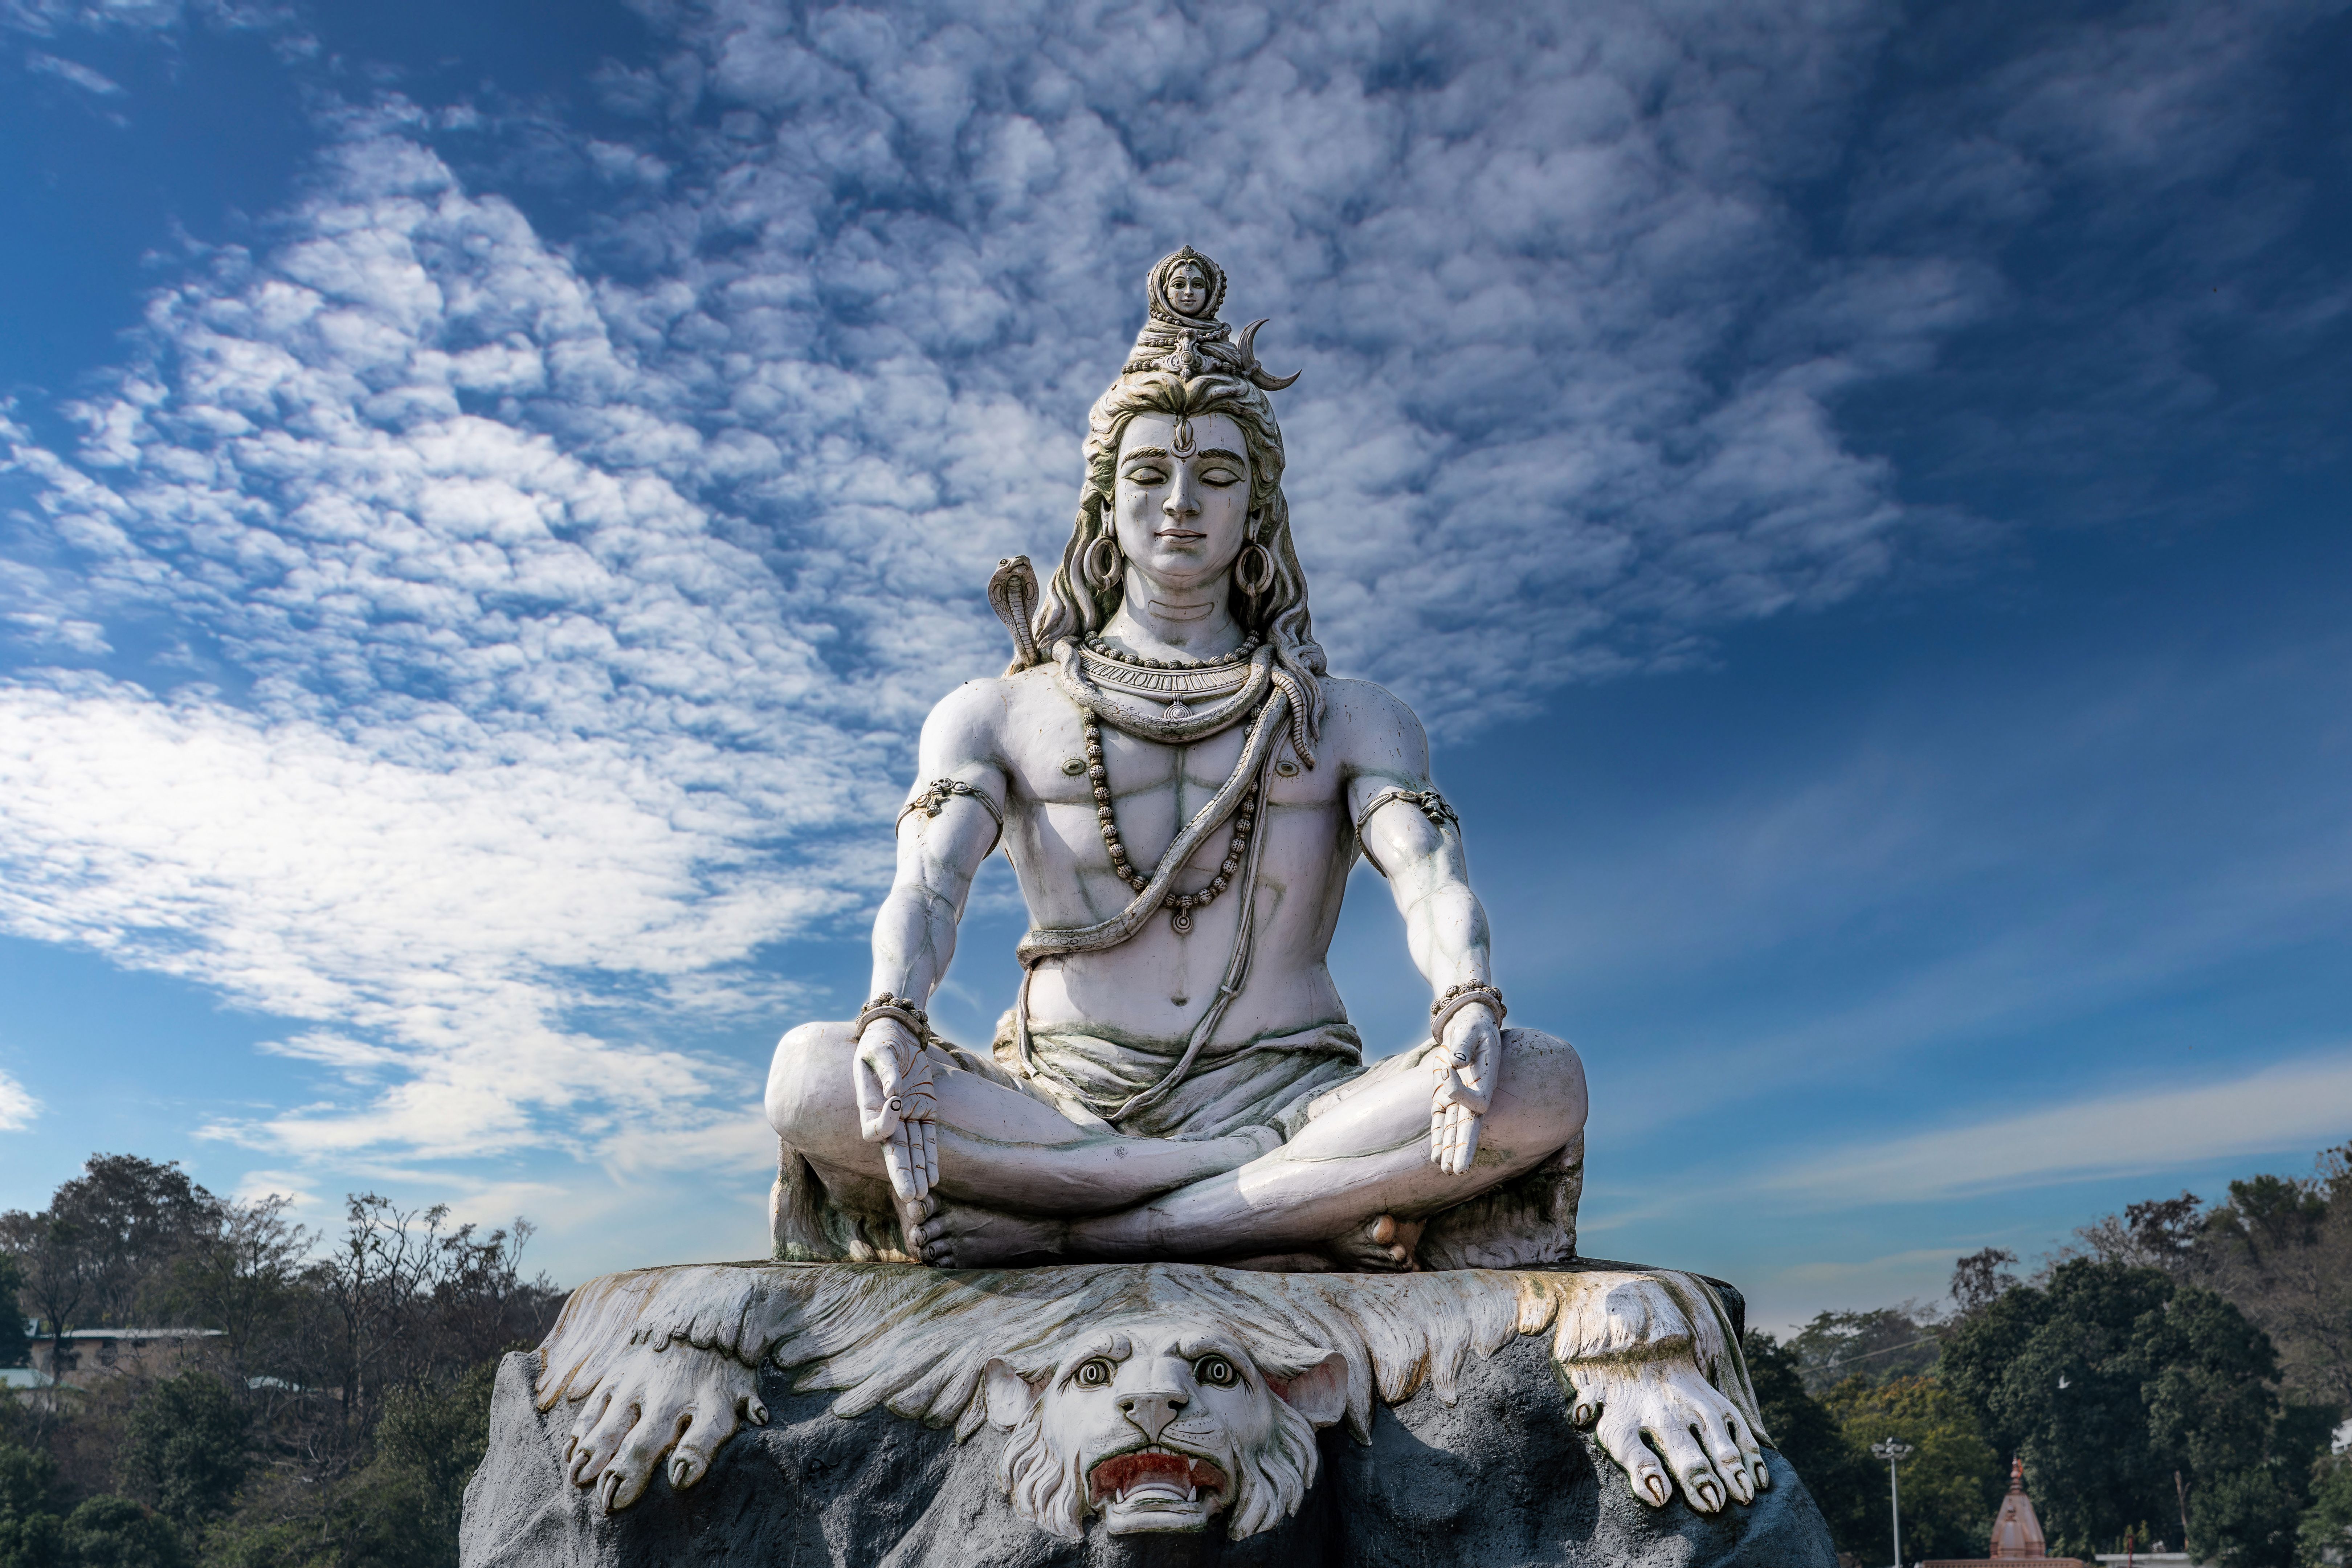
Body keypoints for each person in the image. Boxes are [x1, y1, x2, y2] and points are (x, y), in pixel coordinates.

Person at [765, 248, 1588, 1272]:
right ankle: (1264, 1209)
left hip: (1290, 1100)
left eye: (1217, 475)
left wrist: (1467, 997)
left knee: (1541, 1080)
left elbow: (1429, 877)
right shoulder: (997, 713)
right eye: (1149, 474)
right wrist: (894, 1012)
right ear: (1105, 503)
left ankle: (1087, 1224)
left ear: (1259, 508)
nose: (1180, 502)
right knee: (809, 1076)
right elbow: (929, 888)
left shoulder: (1351, 717)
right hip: (1061, 1104)